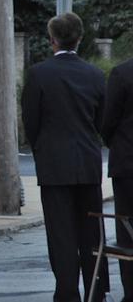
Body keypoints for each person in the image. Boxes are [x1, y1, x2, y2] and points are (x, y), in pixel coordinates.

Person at [21, 12, 110, 301]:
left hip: (53, 165)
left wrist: (42, 149)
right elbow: (102, 122)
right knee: (91, 233)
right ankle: (96, 291)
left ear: (52, 40)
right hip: (87, 163)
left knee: (61, 234)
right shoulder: (95, 74)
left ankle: (67, 292)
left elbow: (30, 122)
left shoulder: (38, 74)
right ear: (80, 39)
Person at [101, 57, 133, 302]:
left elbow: (108, 120)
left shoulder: (122, 73)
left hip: (127, 163)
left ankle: (131, 291)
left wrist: (115, 142)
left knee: (127, 230)